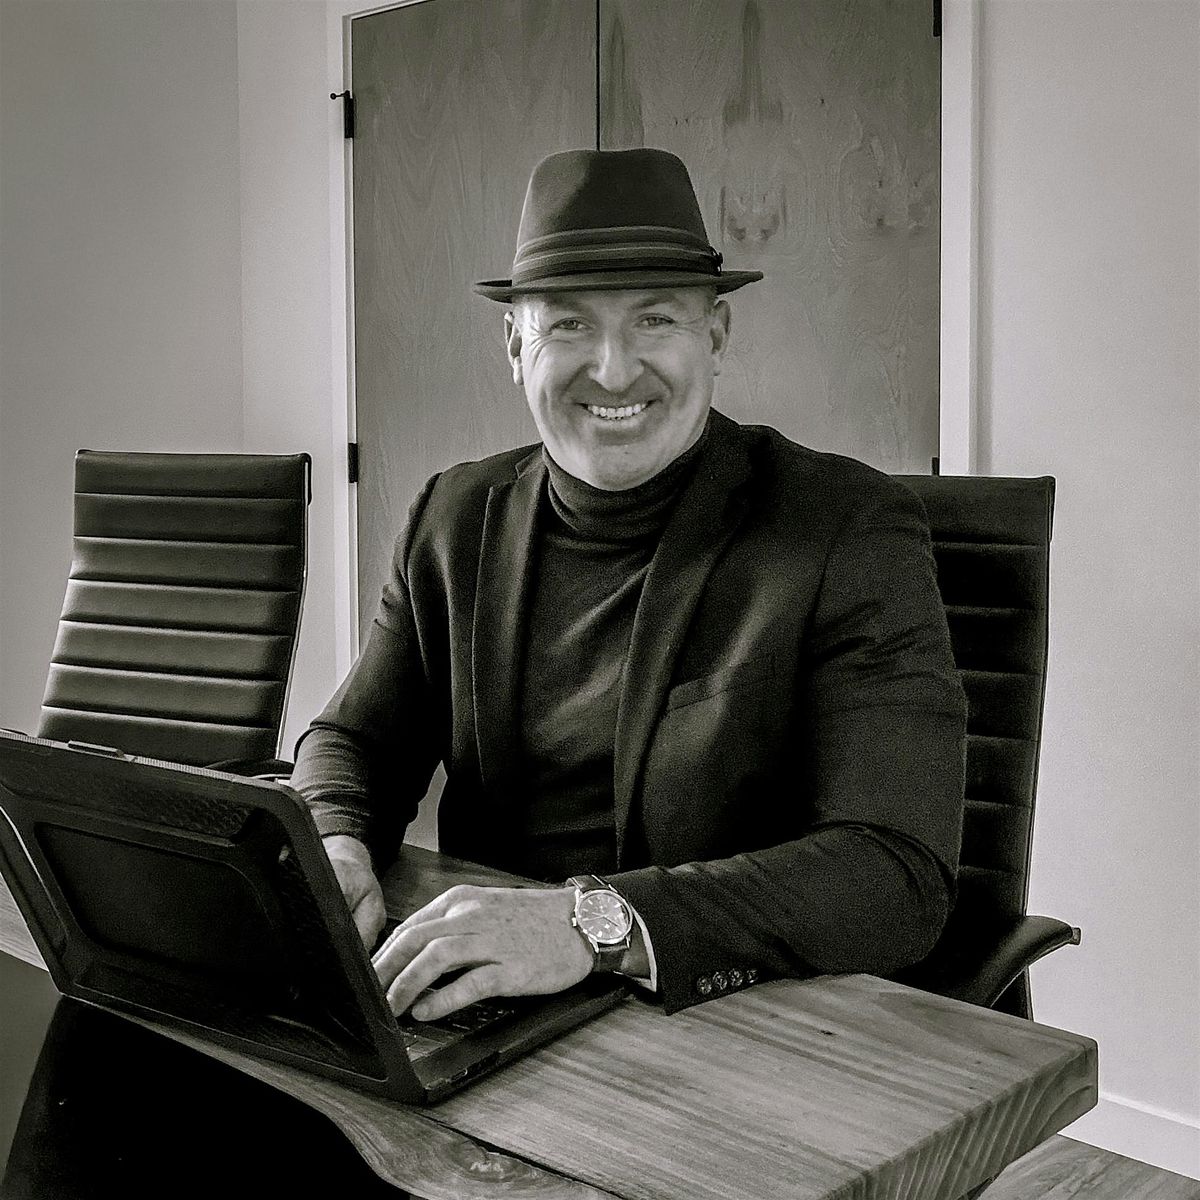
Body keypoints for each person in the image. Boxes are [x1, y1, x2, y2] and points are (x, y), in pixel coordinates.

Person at [291, 148, 966, 1021]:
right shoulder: (453, 516)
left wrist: (590, 926)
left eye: (655, 320)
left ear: (714, 338)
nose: (613, 370)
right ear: (515, 346)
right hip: (492, 1004)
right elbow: (355, 739)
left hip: (730, 1019)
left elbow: (893, 871)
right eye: (569, 325)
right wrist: (335, 842)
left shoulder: (847, 528)